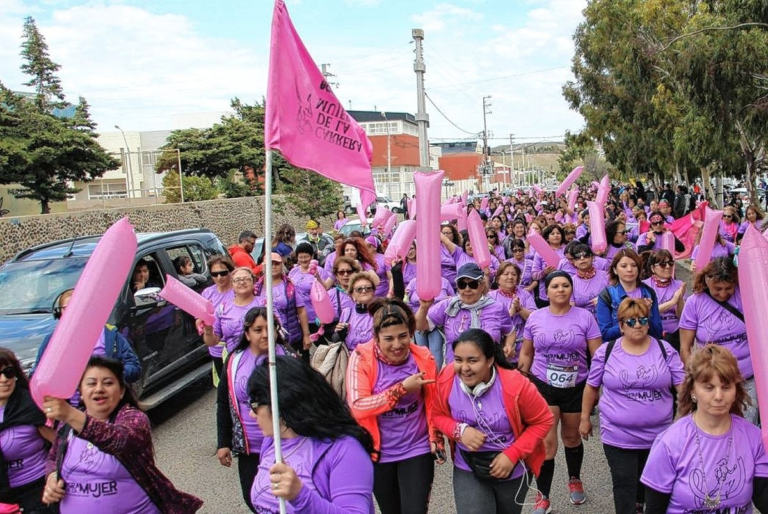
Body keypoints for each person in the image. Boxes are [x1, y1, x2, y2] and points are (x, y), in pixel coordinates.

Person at [41, 356, 203, 513]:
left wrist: (71, 415)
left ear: (121, 391)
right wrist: (52, 477)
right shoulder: (67, 426)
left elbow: (120, 441)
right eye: (91, 383)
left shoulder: (134, 419)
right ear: (81, 392)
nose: (99, 389)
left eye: (108, 383)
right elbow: (54, 458)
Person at [580, 298, 684, 514]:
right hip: (618, 435)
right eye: (631, 321)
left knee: (654, 489)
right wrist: (584, 418)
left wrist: (685, 420)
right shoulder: (606, 351)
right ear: (621, 326)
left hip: (659, 437)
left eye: (643, 320)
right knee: (624, 485)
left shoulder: (665, 349)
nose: (637, 325)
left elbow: (682, 386)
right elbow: (591, 387)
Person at [432, 329, 554, 514]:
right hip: (468, 466)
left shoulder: (516, 384)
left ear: (489, 360)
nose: (464, 368)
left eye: (472, 360)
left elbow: (543, 420)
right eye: (458, 360)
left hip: (512, 468)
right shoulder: (447, 378)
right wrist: (459, 430)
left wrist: (512, 455)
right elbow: (437, 414)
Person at [640, 345, 768, 513]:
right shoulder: (670, 443)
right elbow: (654, 509)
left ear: (736, 390)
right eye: (709, 387)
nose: (718, 396)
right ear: (693, 391)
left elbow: (763, 498)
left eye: (726, 387)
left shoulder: (753, 438)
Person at [346, 299, 442, 514]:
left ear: (411, 333)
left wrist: (435, 436)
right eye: (388, 339)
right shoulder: (361, 358)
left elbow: (434, 402)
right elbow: (358, 406)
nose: (397, 345)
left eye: (403, 336)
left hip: (417, 448)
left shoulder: (423, 357)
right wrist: (401, 390)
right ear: (376, 337)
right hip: (379, 452)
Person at [518, 271, 602, 513]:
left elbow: (597, 356)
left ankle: (574, 478)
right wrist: (521, 381)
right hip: (543, 384)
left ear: (571, 289)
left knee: (572, 437)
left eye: (565, 285)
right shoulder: (536, 318)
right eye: (555, 286)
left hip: (576, 386)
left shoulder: (585, 317)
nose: (561, 290)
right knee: (546, 442)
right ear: (546, 291)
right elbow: (526, 352)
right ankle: (543, 495)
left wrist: (595, 388)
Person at [248, 356, 375, 513]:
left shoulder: (345, 449)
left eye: (254, 406)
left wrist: (301, 496)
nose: (251, 414)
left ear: (281, 402)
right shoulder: (272, 440)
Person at [216, 308, 293, 511]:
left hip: (284, 444)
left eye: (270, 328)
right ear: (247, 334)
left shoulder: (289, 357)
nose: (265, 335)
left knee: (283, 501)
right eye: (258, 330)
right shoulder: (234, 361)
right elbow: (223, 402)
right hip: (250, 447)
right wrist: (223, 443)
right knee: (253, 498)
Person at [679, 257, 757, 424]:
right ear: (707, 281)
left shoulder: (746, 296)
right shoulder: (695, 303)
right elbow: (685, 348)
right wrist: (695, 378)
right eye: (717, 289)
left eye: (728, 288)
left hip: (746, 379)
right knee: (715, 426)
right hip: (712, 382)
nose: (723, 293)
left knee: (745, 428)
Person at [35, 289, 142, 384]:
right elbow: (36, 375)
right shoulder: (52, 341)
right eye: (68, 308)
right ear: (59, 313)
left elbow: (134, 366)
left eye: (78, 306)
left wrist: (113, 374)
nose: (74, 311)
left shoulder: (109, 334)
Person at [415, 263, 515, 365]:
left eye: (473, 284)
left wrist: (508, 346)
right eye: (462, 285)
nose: (467, 289)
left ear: (482, 286)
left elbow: (510, 332)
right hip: (455, 370)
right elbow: (420, 326)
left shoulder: (497, 308)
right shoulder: (448, 306)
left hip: (488, 369)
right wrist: (423, 307)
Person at [0, 348, 54, 514]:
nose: (4, 379)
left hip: (38, 490)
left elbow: (61, 444)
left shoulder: (32, 405)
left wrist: (55, 475)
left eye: (9, 372)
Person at [596, 249, 663, 342]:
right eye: (624, 266)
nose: (629, 270)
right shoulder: (607, 295)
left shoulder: (648, 292)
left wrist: (647, 313)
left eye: (634, 265)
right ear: (615, 270)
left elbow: (657, 332)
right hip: (618, 347)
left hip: (646, 345)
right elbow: (605, 334)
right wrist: (635, 316)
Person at [255, 253, 311, 361]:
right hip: (267, 340)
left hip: (292, 337)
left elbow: (301, 310)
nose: (273, 266)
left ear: (282, 265)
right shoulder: (257, 288)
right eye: (270, 264)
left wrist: (306, 335)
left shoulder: (290, 285)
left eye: (276, 263)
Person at [203, 267, 265, 355]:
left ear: (254, 282)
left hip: (263, 356)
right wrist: (208, 330)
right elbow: (212, 342)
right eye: (237, 280)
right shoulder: (223, 308)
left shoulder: (265, 303)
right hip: (235, 359)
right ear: (232, 284)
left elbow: (278, 332)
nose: (242, 282)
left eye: (246, 279)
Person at [488, 262, 536, 365]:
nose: (510, 277)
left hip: (523, 347)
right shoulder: (491, 297)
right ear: (498, 278)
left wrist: (520, 309)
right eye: (506, 274)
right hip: (499, 348)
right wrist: (511, 312)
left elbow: (535, 319)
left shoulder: (525, 294)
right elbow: (492, 323)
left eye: (514, 274)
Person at [641, 250, 686, 351]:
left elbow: (681, 315)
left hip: (674, 333)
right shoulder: (644, 285)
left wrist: (679, 300)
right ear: (653, 268)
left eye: (671, 263)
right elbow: (646, 312)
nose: (668, 267)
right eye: (662, 264)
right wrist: (672, 302)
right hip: (652, 331)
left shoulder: (679, 285)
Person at [200, 255, 235, 379]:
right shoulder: (207, 293)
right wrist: (202, 324)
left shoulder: (237, 290)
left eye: (223, 273)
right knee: (223, 383)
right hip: (216, 348)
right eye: (215, 274)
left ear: (230, 271)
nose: (219, 277)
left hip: (235, 346)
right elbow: (199, 319)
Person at [288, 243, 333, 336]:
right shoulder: (293, 271)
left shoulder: (319, 271)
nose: (303, 260)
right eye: (300, 257)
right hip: (298, 317)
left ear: (312, 256)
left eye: (306, 257)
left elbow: (327, 293)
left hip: (315, 317)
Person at [334, 271, 380, 352]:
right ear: (352, 294)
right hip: (350, 357)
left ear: (373, 292)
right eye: (359, 289)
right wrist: (339, 334)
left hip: (374, 356)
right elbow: (336, 339)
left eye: (368, 288)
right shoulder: (347, 312)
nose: (364, 291)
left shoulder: (381, 312)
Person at [568, 243, 609, 319]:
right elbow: (571, 309)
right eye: (577, 257)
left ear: (592, 258)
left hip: (607, 319)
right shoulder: (571, 282)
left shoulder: (606, 276)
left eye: (586, 255)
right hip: (583, 321)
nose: (582, 258)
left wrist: (603, 299)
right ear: (574, 262)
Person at [531, 225, 567, 308]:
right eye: (552, 234)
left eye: (558, 233)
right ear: (547, 238)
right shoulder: (540, 252)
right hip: (546, 294)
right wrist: (544, 272)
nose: (556, 235)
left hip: (565, 291)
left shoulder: (568, 250)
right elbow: (534, 275)